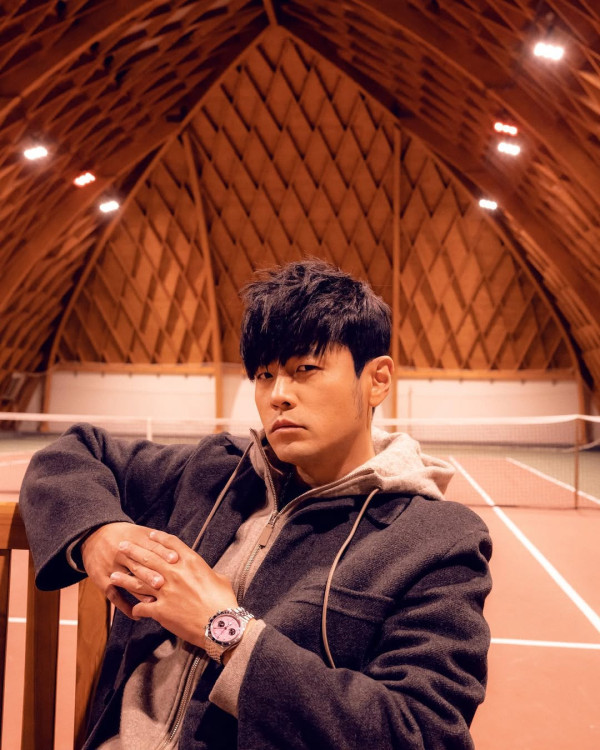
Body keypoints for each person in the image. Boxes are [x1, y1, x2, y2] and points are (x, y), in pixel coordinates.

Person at [20, 259, 492, 750]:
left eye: (305, 369)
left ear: (377, 379)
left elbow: (422, 732)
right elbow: (73, 453)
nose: (278, 395)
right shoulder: (214, 471)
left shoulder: (436, 540)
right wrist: (97, 536)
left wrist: (227, 632)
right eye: (265, 375)